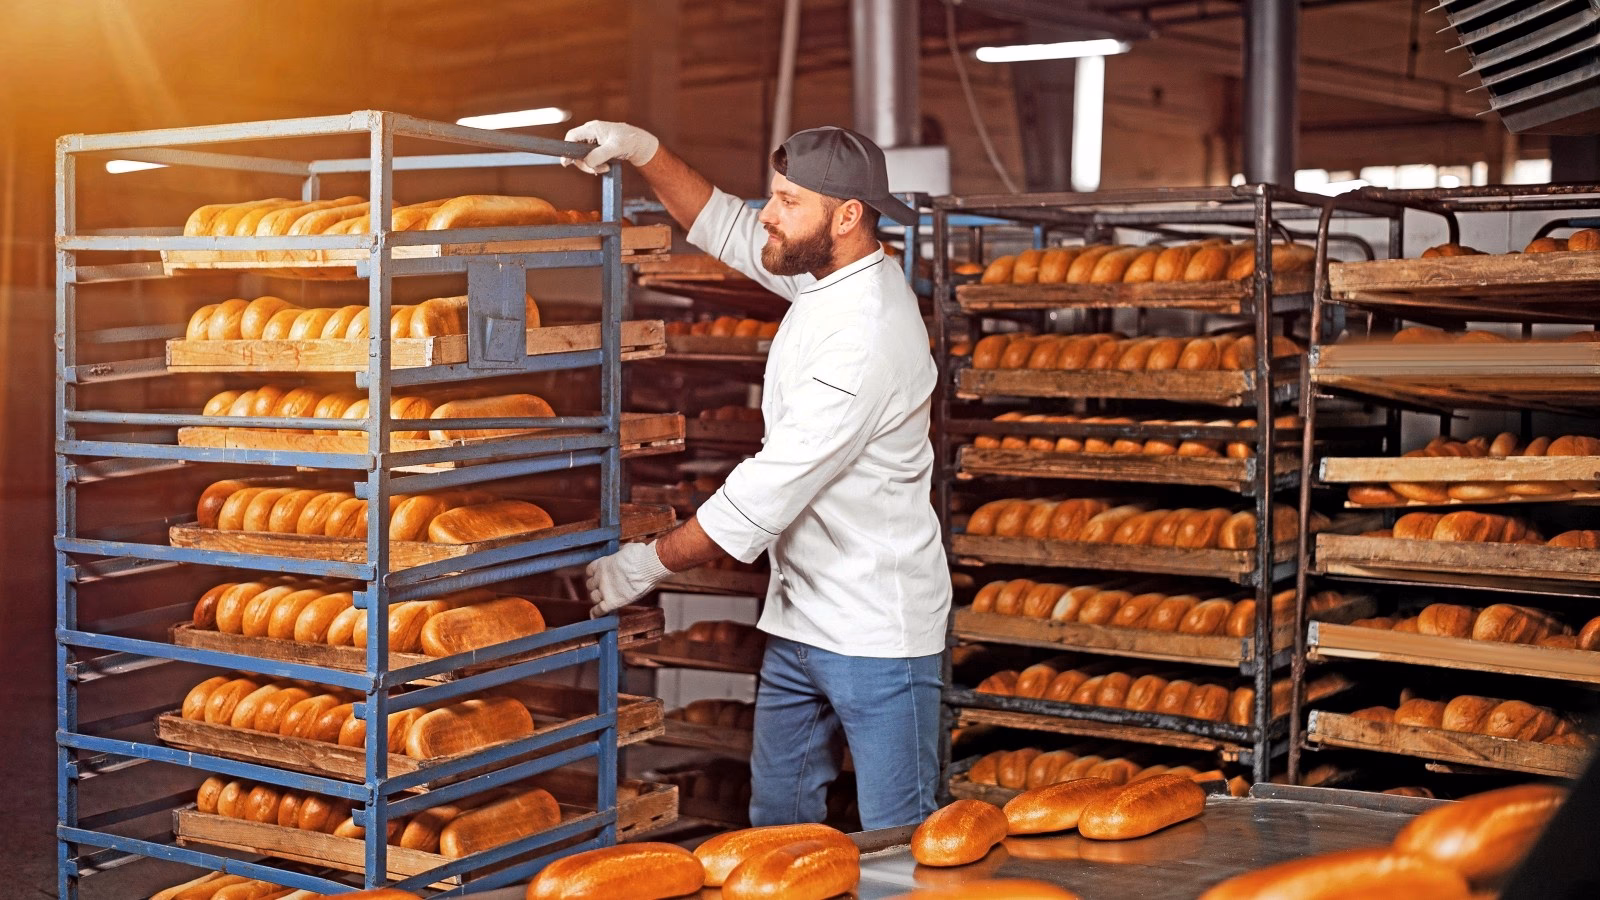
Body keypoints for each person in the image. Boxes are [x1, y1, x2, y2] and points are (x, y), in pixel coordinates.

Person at [564, 120, 950, 830]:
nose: (767, 213)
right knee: (778, 831)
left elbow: (767, 490)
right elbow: (723, 224)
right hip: (800, 619)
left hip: (874, 634)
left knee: (903, 839)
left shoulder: (865, 333)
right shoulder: (829, 271)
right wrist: (647, 148)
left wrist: (649, 564)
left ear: (847, 216)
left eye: (786, 200)